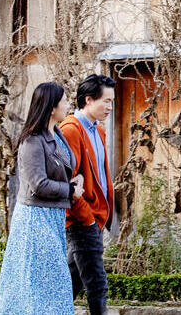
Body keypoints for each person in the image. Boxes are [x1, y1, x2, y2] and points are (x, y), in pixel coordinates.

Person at [0, 82, 83, 315]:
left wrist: (75, 182)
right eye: (64, 101)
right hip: (35, 219)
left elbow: (62, 169)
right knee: (37, 282)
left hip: (53, 216)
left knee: (52, 281)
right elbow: (38, 184)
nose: (68, 105)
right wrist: (70, 190)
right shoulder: (32, 141)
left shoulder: (58, 135)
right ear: (51, 107)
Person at [60, 74, 116, 315]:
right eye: (106, 101)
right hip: (82, 218)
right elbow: (69, 182)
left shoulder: (98, 131)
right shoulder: (71, 130)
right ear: (88, 100)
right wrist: (87, 218)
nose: (110, 107)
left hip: (95, 218)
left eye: (112, 102)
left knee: (72, 280)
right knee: (97, 284)